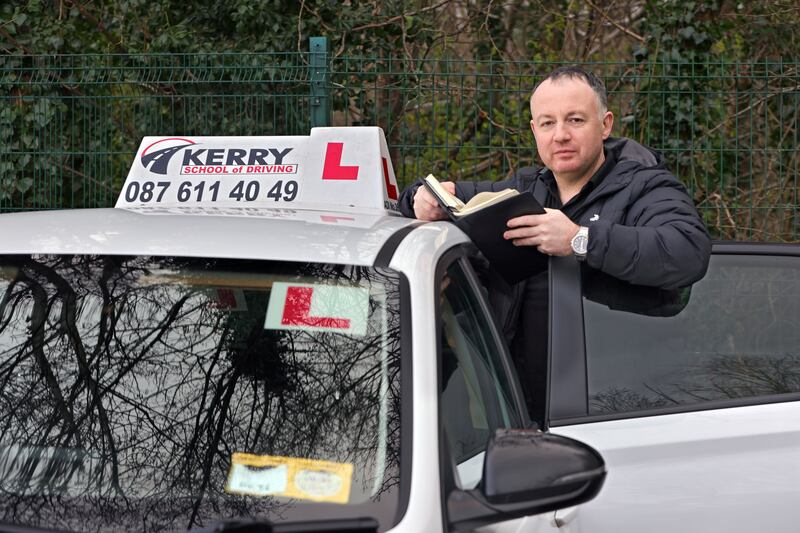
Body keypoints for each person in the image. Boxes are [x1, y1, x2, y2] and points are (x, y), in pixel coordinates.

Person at [398, 66, 711, 424]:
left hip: (609, 410)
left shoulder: (646, 187)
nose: (560, 135)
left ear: (605, 124)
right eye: (547, 123)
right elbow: (440, 195)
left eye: (575, 120)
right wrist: (420, 199)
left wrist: (579, 240)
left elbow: (688, 250)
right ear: (534, 131)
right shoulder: (524, 190)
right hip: (513, 412)